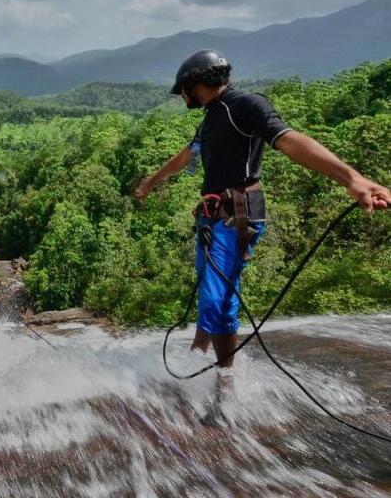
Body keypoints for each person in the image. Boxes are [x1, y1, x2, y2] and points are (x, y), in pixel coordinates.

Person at [134, 49, 390, 383]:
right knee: (213, 294)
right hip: (213, 218)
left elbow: (290, 140)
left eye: (184, 88)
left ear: (198, 82)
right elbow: (186, 156)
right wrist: (150, 183)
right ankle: (209, 367)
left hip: (235, 216)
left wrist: (351, 179)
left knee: (217, 298)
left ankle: (212, 377)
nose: (182, 95)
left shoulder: (246, 106)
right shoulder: (212, 117)